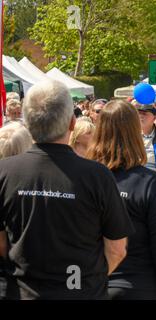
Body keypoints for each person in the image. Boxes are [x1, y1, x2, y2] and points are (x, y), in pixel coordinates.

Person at [0, 80, 133, 299]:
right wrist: (86, 281)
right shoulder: (98, 176)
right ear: (72, 123)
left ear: (28, 122)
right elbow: (117, 250)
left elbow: (2, 245)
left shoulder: (4, 172)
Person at [88, 99, 156, 300]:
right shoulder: (149, 182)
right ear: (134, 133)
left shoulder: (83, 179)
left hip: (91, 285)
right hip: (136, 286)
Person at [133, 101, 156, 176]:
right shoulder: (132, 136)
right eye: (139, 113)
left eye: (144, 114)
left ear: (154, 118)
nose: (141, 116)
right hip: (135, 176)